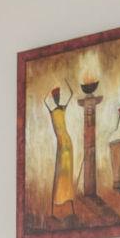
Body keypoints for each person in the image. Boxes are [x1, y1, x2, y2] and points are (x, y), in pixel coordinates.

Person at [45, 87, 76, 216]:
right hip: (63, 144)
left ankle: (67, 202)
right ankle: (60, 203)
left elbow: (71, 94)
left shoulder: (59, 109)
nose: (57, 98)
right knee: (61, 174)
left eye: (58, 96)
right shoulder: (55, 110)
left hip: (66, 144)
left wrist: (68, 87)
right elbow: (45, 101)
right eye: (56, 97)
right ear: (54, 98)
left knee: (65, 174)